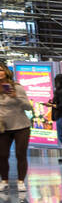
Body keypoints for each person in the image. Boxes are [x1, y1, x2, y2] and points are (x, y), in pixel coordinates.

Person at [0, 60, 33, 194]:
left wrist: (16, 97)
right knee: (2, 155)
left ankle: (20, 181)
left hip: (21, 126)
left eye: (1, 69)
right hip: (3, 127)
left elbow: (28, 107)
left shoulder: (16, 87)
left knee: (21, 154)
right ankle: (4, 181)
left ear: (6, 71)